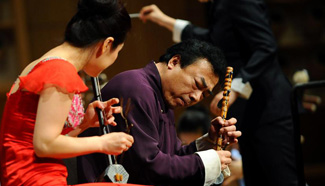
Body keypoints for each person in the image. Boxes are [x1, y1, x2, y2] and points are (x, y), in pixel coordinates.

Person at [139, 1, 299, 186]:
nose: (195, 98)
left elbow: (266, 47)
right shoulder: (219, 4)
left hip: (269, 108)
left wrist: (235, 88)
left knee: (281, 180)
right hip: (250, 111)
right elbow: (215, 40)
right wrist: (164, 20)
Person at [0, 0, 139, 185]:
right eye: (118, 52)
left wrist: (84, 124)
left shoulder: (44, 63)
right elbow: (44, 145)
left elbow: (40, 141)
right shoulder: (60, 71)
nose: (115, 57)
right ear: (107, 44)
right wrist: (103, 143)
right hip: (36, 179)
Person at [78, 39, 242, 186]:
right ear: (174, 61)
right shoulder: (136, 88)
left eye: (204, 94)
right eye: (197, 84)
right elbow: (149, 167)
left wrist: (209, 142)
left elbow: (172, 157)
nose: (196, 97)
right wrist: (207, 162)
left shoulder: (162, 97)